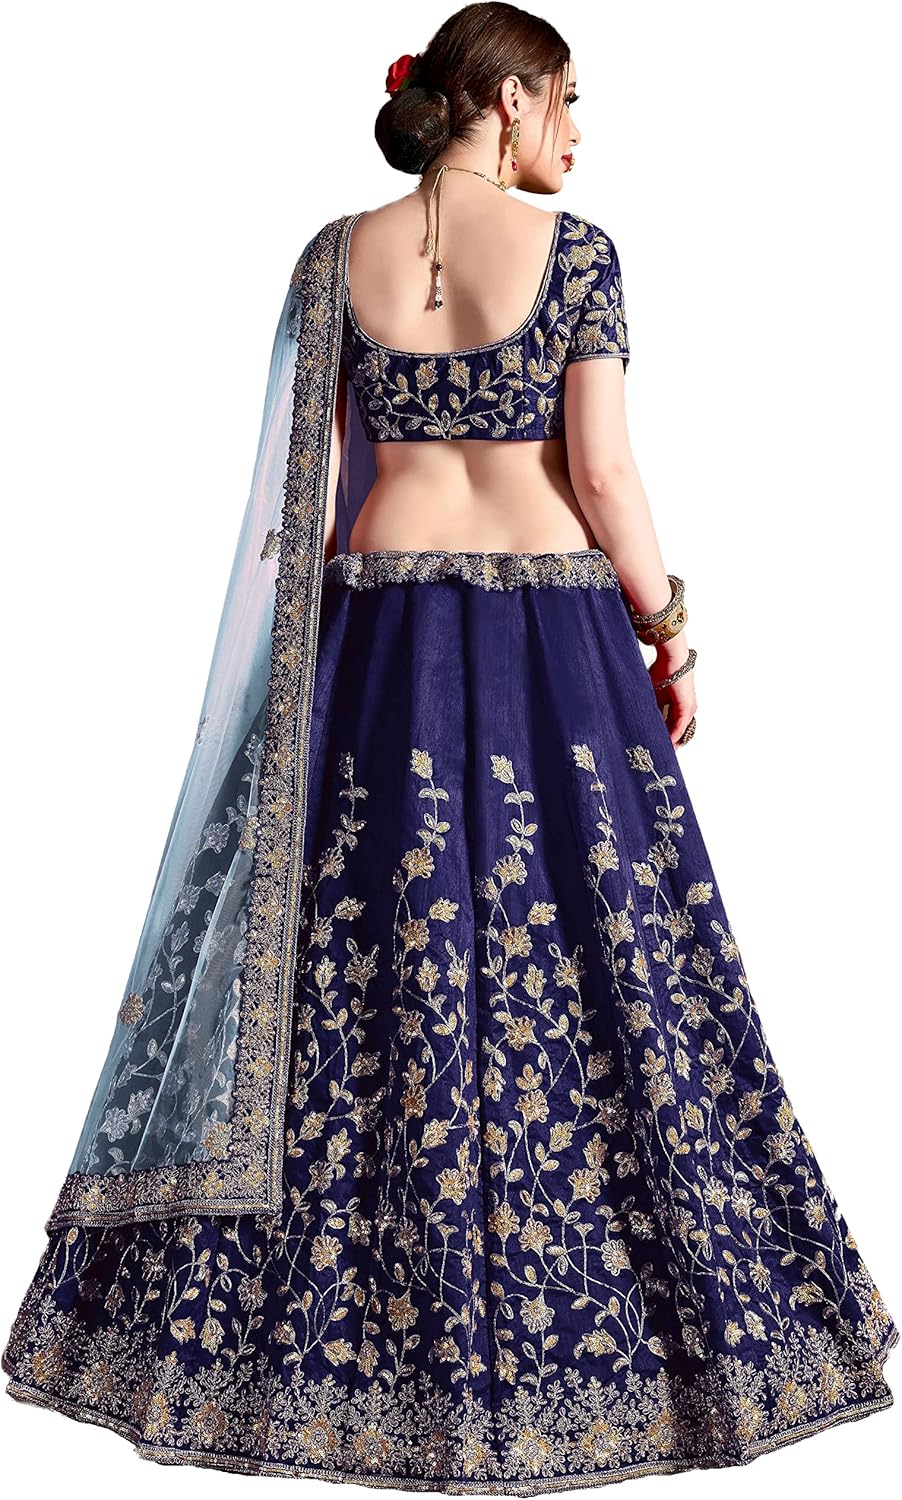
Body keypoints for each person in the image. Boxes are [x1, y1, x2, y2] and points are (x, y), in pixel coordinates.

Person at [2, 2, 896, 1490]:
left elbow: (314, 496)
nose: (577, 133)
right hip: (554, 641)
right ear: (508, 97)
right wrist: (671, 626)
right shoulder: (579, 254)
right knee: (609, 954)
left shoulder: (328, 257)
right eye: (567, 100)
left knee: (363, 959)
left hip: (377, 636)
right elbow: (602, 472)